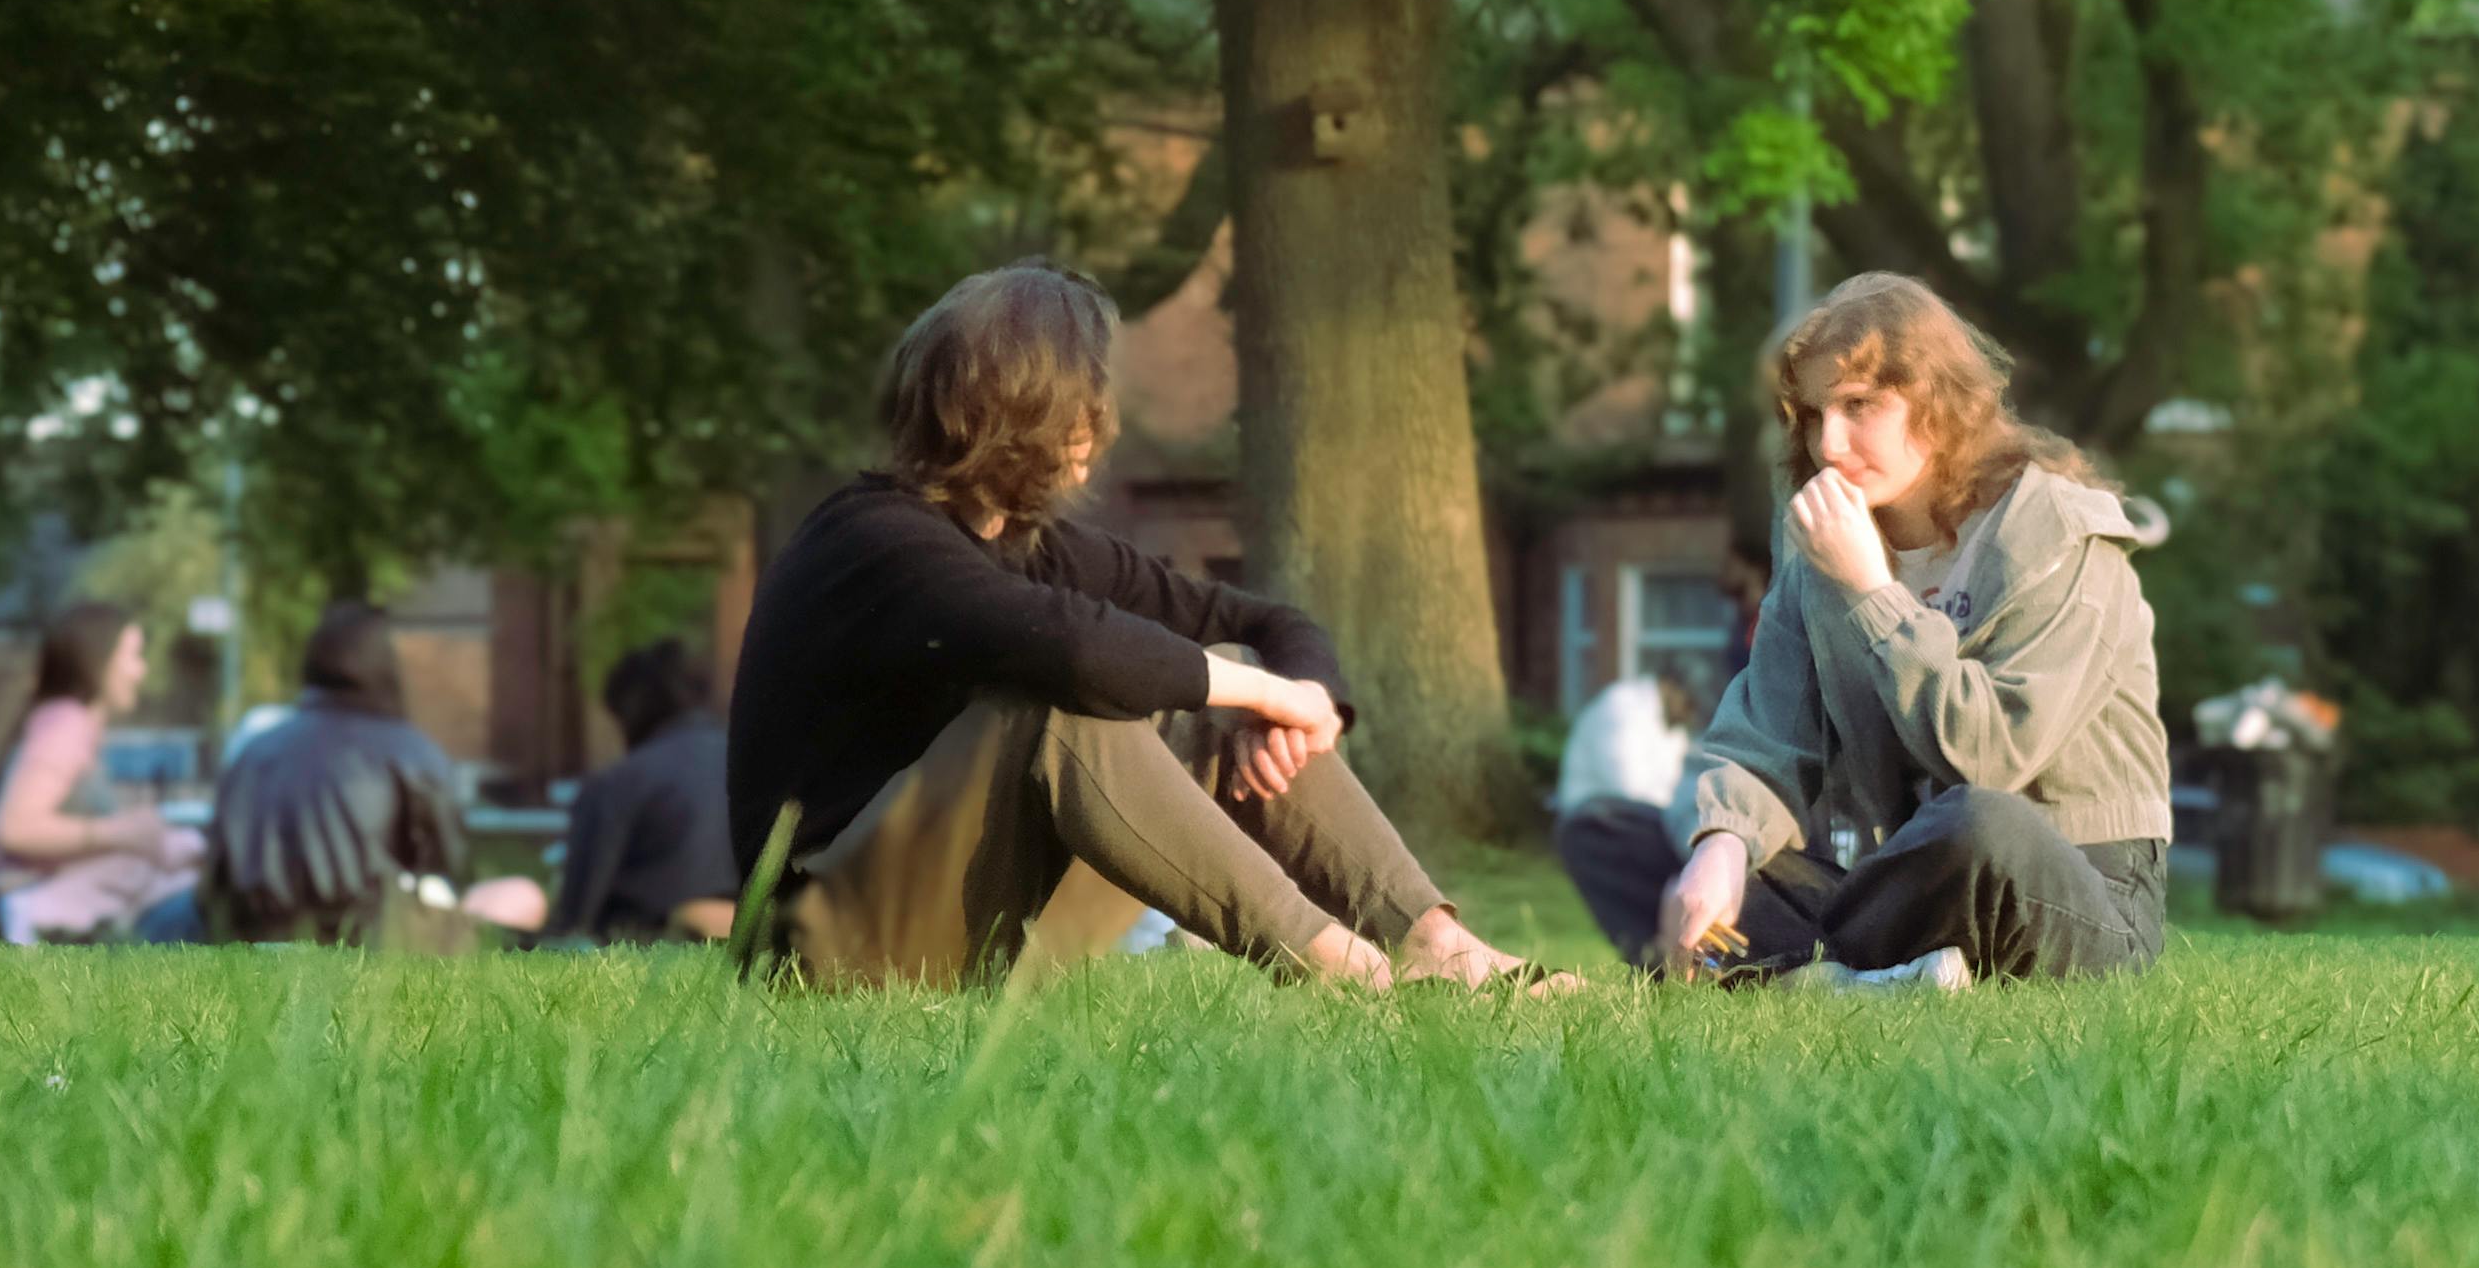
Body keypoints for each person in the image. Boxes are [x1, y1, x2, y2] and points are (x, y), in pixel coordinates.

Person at [729, 262, 1554, 993]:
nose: (1100, 418)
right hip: (823, 948)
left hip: (970, 925)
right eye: (1084, 395)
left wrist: (1305, 702)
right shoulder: (872, 539)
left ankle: (1434, 942)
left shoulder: (1035, 544)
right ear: (1023, 406)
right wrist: (1263, 691)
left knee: (1218, 670)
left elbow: (1264, 621)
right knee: (1057, 705)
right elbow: (1076, 647)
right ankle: (1337, 966)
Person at [1656, 271, 2173, 986]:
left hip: (2077, 886)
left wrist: (1872, 590)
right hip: (1903, 879)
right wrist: (1720, 846)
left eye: (1858, 405)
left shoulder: (2057, 533)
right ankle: (1861, 983)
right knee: (1708, 864)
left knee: (1976, 823)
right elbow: (1768, 735)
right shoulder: (1820, 547)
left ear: (1934, 403)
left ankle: (1793, 976)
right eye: (1810, 414)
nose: (1829, 442)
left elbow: (1989, 759)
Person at [209, 599, 545, 946]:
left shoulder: (253, 751)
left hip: (250, 935)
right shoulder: (410, 751)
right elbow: (450, 864)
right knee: (520, 895)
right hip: (371, 937)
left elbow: (215, 871)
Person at [0, 600, 198, 941]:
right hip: (43, 920)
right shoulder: (65, 725)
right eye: (133, 655)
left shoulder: (63, 722)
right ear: (98, 661)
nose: (140, 671)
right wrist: (121, 833)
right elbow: (13, 827)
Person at [544, 638, 739, 947]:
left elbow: (576, 920)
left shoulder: (616, 784)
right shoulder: (755, 770)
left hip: (649, 951)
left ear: (631, 710)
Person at [1547, 660, 1696, 961]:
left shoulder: (1671, 728)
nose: (1689, 712)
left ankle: (1667, 952)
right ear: (1668, 685)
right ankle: (1648, 953)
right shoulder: (1623, 707)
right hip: (1599, 818)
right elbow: (1628, 784)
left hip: (1645, 821)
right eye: (1687, 701)